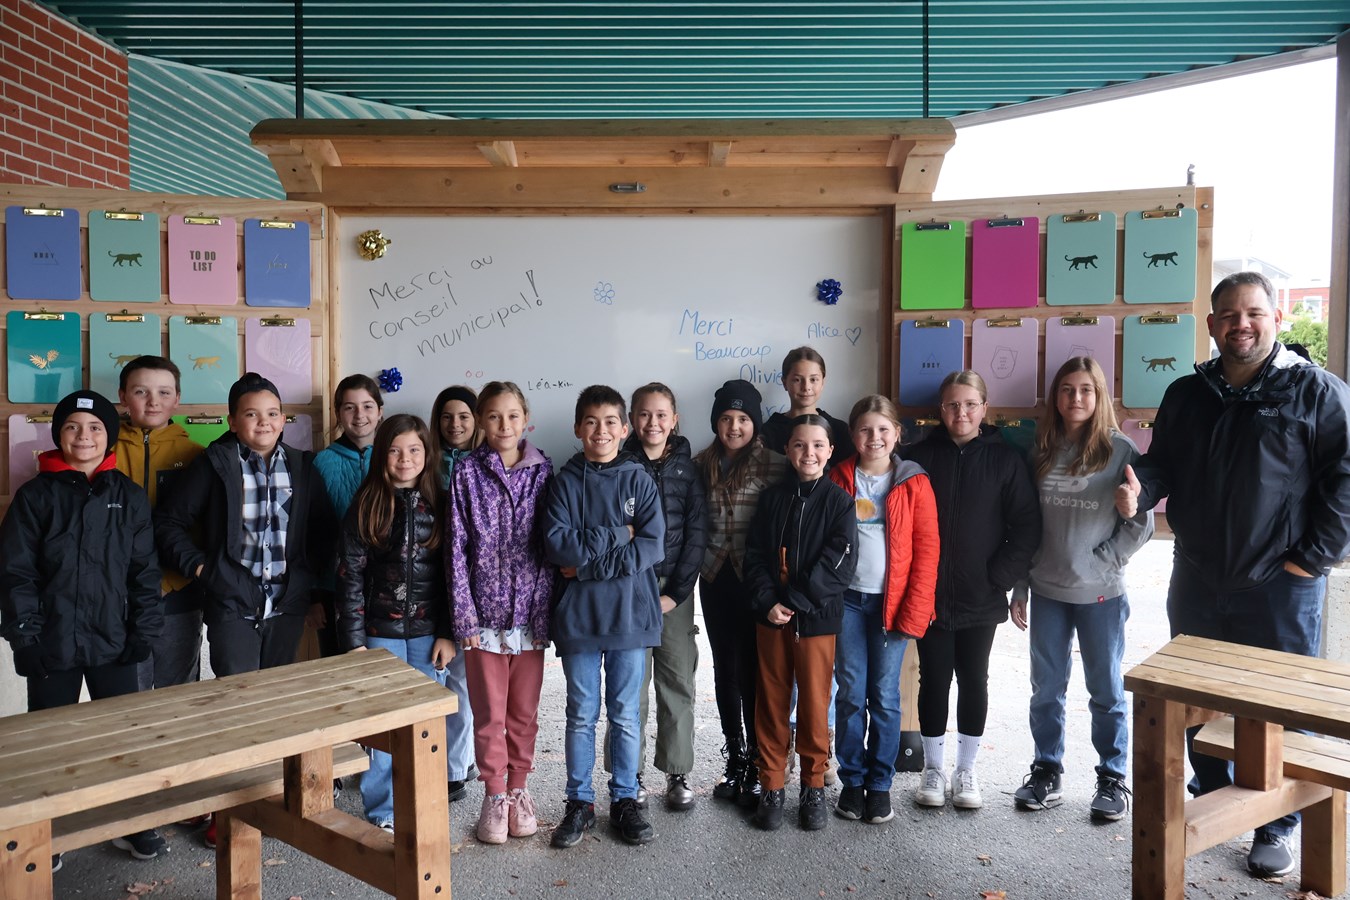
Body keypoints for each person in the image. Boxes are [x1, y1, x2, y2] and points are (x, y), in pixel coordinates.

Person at [1115, 271, 1350, 877]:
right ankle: (1215, 791)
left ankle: (1278, 823)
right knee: (1196, 701)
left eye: (1254, 313)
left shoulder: (1316, 392)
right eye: (1228, 315)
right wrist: (1140, 495)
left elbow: (1345, 480)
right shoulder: (1186, 395)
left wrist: (1311, 561)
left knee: (1281, 706)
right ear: (1213, 324)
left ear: (1276, 320)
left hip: (1282, 585)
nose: (1241, 324)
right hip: (1196, 576)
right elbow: (1162, 466)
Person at [1, 389, 168, 864]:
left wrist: (144, 631)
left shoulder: (128, 496)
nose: (84, 436)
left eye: (95, 428)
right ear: (58, 435)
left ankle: (131, 822)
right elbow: (16, 574)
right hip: (50, 643)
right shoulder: (35, 496)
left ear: (109, 436)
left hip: (115, 640)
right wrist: (25, 638)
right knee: (48, 744)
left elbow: (143, 572)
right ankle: (44, 832)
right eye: (73, 427)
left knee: (121, 737)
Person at [1009, 357, 1152, 822]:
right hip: (1047, 589)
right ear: (1056, 396)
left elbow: (1140, 523)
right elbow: (1025, 524)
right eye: (1067, 389)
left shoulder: (1120, 449)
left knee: (1105, 689)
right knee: (1045, 689)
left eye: (1086, 390)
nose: (1076, 398)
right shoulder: (1042, 449)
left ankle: (1112, 778)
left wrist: (1105, 562)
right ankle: (1046, 770)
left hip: (1100, 595)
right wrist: (1021, 585)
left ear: (1100, 396)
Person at [905, 370, 1040, 811]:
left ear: (984, 408)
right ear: (939, 411)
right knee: (933, 680)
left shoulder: (1005, 460)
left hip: (981, 594)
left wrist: (998, 579)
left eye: (969, 404)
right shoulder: (920, 458)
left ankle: (966, 770)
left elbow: (1025, 526)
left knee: (974, 680)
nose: (960, 412)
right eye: (951, 405)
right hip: (929, 594)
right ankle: (933, 769)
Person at [544, 385, 665, 849]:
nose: (601, 431)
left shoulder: (638, 480)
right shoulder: (564, 482)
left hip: (630, 615)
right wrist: (619, 533)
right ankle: (579, 802)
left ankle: (625, 799)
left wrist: (590, 566)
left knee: (625, 714)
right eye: (591, 422)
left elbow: (651, 547)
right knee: (580, 714)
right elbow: (559, 547)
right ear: (578, 428)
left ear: (625, 428)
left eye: (611, 421)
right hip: (578, 618)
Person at [155, 372, 334, 677]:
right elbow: (168, 523)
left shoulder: (303, 467)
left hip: (286, 607)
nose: (264, 422)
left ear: (282, 419)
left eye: (272, 413)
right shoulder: (214, 464)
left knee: (276, 697)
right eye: (251, 414)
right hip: (231, 605)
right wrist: (203, 569)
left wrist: (305, 580)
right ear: (233, 422)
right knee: (237, 699)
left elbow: (324, 531)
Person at [446, 382, 555, 845]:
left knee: (523, 713)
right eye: (493, 417)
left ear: (525, 418)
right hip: (483, 615)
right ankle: (493, 795)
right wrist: (464, 617)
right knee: (488, 713)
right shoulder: (466, 473)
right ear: (481, 421)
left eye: (512, 416)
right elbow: (455, 547)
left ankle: (519, 791)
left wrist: (547, 613)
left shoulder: (544, 470)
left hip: (531, 612)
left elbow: (553, 546)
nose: (504, 426)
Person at [336, 414, 456, 832]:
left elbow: (452, 576)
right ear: (382, 455)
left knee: (425, 723)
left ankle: (423, 803)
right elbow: (350, 576)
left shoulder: (441, 503)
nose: (404, 459)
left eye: (414, 450)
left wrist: (448, 632)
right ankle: (384, 812)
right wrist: (354, 644)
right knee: (383, 725)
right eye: (394, 450)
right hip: (378, 633)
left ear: (428, 454)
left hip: (428, 635)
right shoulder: (367, 503)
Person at [827, 395, 939, 825]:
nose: (874, 438)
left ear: (897, 434)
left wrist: (915, 610)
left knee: (886, 696)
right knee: (851, 693)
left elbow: (927, 551)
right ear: (853, 435)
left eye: (883, 430)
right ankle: (853, 781)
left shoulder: (914, 482)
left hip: (892, 606)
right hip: (848, 603)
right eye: (865, 430)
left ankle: (880, 784)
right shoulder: (839, 476)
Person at [743, 415, 857, 831]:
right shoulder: (772, 499)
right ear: (788, 451)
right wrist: (767, 601)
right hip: (771, 618)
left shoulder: (839, 502)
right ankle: (772, 783)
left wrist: (793, 600)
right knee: (770, 701)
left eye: (817, 446)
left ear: (830, 451)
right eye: (799, 445)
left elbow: (839, 563)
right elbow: (754, 555)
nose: (808, 453)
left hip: (816, 619)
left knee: (813, 703)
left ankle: (813, 786)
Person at [603, 383, 708, 811]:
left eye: (662, 415)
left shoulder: (690, 468)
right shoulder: (618, 464)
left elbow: (697, 534)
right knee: (630, 688)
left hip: (674, 597)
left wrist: (677, 593)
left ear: (675, 419)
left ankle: (678, 772)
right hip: (630, 591)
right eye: (644, 415)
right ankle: (630, 773)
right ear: (631, 421)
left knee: (677, 682)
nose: (653, 423)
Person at [695, 379, 789, 808]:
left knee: (755, 671)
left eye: (744, 418)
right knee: (725, 670)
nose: (734, 426)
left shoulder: (776, 465)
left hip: (755, 582)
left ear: (755, 421)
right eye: (727, 418)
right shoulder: (700, 464)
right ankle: (733, 758)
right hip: (715, 580)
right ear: (717, 421)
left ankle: (757, 762)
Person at [114, 356, 206, 690]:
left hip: (178, 593)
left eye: (164, 392)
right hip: (118, 596)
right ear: (123, 396)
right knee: (126, 698)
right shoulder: (101, 452)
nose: (154, 401)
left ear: (177, 398)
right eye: (141, 391)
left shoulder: (199, 455)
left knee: (177, 698)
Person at [311, 374, 383, 658]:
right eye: (349, 407)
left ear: (380, 411)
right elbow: (311, 532)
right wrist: (313, 597)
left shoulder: (395, 459)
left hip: (386, 590)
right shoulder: (321, 462)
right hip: (333, 590)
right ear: (338, 413)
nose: (359, 415)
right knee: (339, 671)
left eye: (367, 406)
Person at [431, 385, 481, 484]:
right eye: (447, 417)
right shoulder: (427, 458)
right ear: (438, 421)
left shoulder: (488, 460)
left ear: (476, 421)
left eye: (463, 417)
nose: (454, 424)